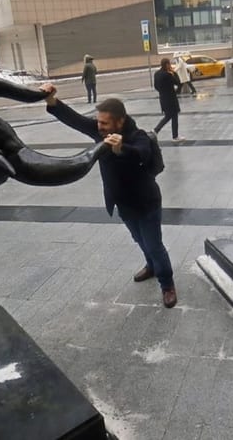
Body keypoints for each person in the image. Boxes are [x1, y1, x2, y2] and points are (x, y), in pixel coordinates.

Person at [39, 86, 178, 308]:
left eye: (104, 122)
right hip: (123, 203)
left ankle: (167, 284)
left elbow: (142, 153)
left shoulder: (137, 136)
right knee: (139, 240)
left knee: (154, 244)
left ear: (119, 121)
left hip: (146, 203)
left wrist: (121, 148)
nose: (99, 126)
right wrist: (52, 100)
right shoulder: (100, 132)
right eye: (98, 122)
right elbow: (74, 120)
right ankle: (152, 266)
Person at [153, 58, 184, 141]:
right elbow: (178, 82)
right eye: (169, 64)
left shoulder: (157, 74)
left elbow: (156, 86)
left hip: (163, 98)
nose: (170, 65)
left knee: (170, 116)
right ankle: (157, 130)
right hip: (171, 99)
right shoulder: (168, 75)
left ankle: (158, 131)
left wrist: (162, 92)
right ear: (166, 65)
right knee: (172, 116)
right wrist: (173, 72)